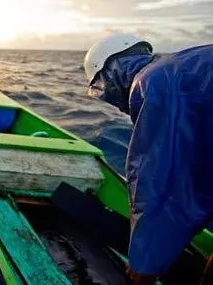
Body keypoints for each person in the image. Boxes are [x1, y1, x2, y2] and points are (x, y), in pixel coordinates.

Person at [83, 33, 213, 285]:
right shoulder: (182, 68)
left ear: (111, 73)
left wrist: (144, 264)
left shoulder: (154, 84)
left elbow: (158, 183)